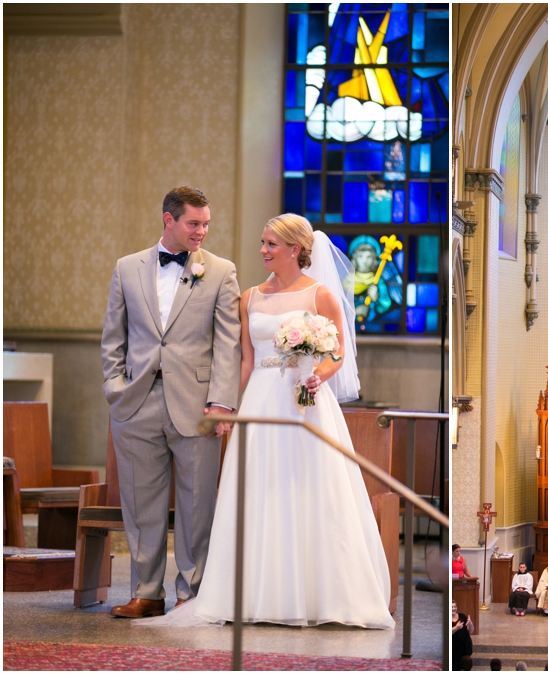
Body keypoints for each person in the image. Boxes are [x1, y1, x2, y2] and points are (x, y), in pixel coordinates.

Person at [135, 213, 392, 629]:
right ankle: (253, 594)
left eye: (271, 244)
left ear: (295, 249)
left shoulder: (320, 296)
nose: (262, 251)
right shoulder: (250, 297)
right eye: (262, 242)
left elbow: (338, 354)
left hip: (304, 405)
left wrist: (317, 375)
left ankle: (317, 596)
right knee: (257, 492)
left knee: (309, 492)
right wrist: (229, 408)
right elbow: (246, 362)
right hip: (260, 401)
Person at [101, 186, 241, 618]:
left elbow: (228, 343)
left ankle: (190, 595)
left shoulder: (220, 271)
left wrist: (221, 403)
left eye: (205, 224)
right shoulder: (127, 268)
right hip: (137, 401)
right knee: (142, 503)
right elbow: (113, 338)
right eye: (193, 223)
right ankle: (146, 592)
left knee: (197, 504)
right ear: (168, 219)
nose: (201, 231)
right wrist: (115, 388)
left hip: (197, 405)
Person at [452, 600, 474, 671]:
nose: (453, 608)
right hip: (454, 649)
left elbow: (470, 631)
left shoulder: (462, 616)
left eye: (455, 606)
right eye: (451, 607)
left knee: (465, 667)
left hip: (465, 647)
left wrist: (470, 623)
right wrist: (456, 628)